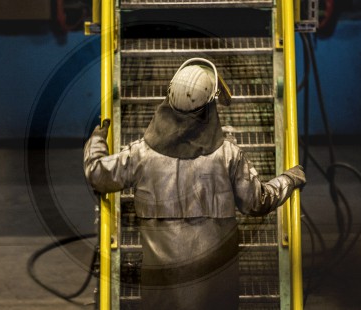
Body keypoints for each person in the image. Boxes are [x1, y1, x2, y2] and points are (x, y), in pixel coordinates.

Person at [84, 58, 306, 309]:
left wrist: (97, 140)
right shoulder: (228, 155)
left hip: (162, 289)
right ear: (209, 108)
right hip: (216, 288)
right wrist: (289, 179)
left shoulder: (141, 155)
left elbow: (96, 173)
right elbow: (258, 201)